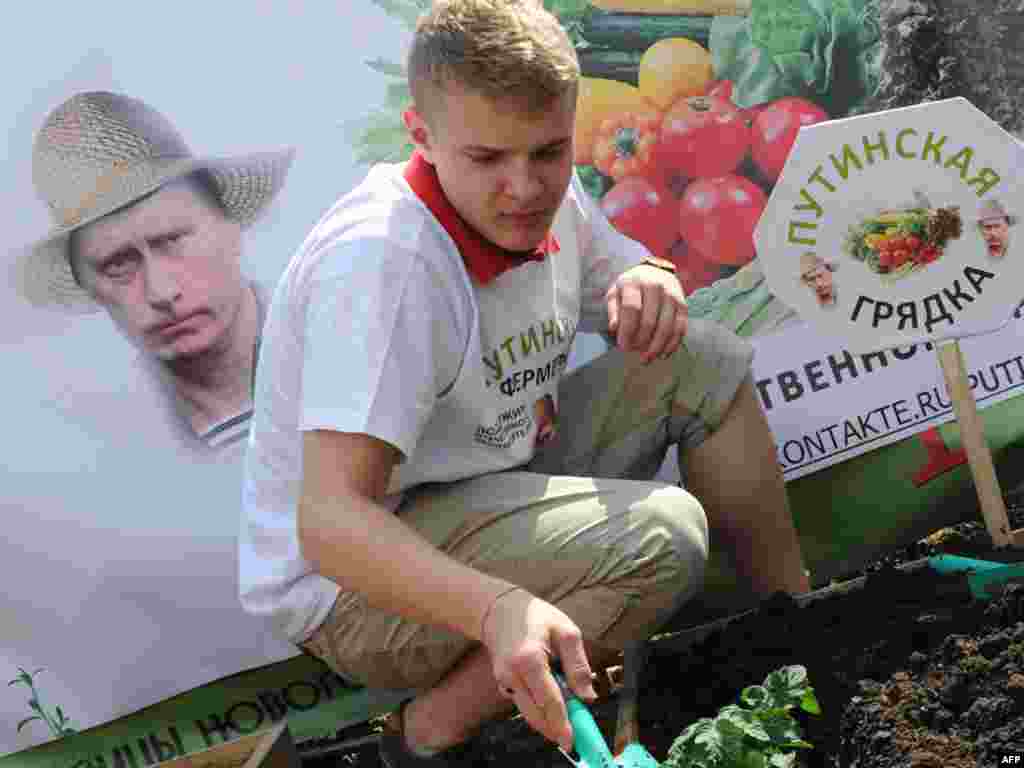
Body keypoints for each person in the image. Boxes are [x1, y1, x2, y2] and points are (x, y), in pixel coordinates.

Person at [239, 2, 811, 765]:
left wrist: (650, 276)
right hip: (350, 591)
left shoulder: (541, 186)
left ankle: (799, 638)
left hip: (485, 485)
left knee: (702, 359)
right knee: (664, 536)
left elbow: (619, 268)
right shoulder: (385, 267)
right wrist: (498, 607)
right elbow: (331, 521)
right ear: (422, 136)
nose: (524, 186)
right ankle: (427, 734)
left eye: (550, 151)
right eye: (487, 159)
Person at [15, 91, 295, 450]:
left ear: (229, 227)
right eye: (118, 264)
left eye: (172, 241)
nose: (162, 292)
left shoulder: (345, 353)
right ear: (87, 284)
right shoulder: (102, 449)